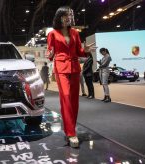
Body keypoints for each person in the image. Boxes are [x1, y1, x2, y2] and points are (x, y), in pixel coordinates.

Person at [47, 6, 95, 148]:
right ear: (59, 16)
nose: (69, 17)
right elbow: (50, 52)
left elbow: (79, 51)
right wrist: (49, 55)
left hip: (74, 68)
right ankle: (71, 133)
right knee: (66, 97)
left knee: (74, 101)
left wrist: (85, 51)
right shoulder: (53, 34)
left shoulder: (74, 32)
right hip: (61, 68)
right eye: (66, 15)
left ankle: (70, 129)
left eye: (70, 15)